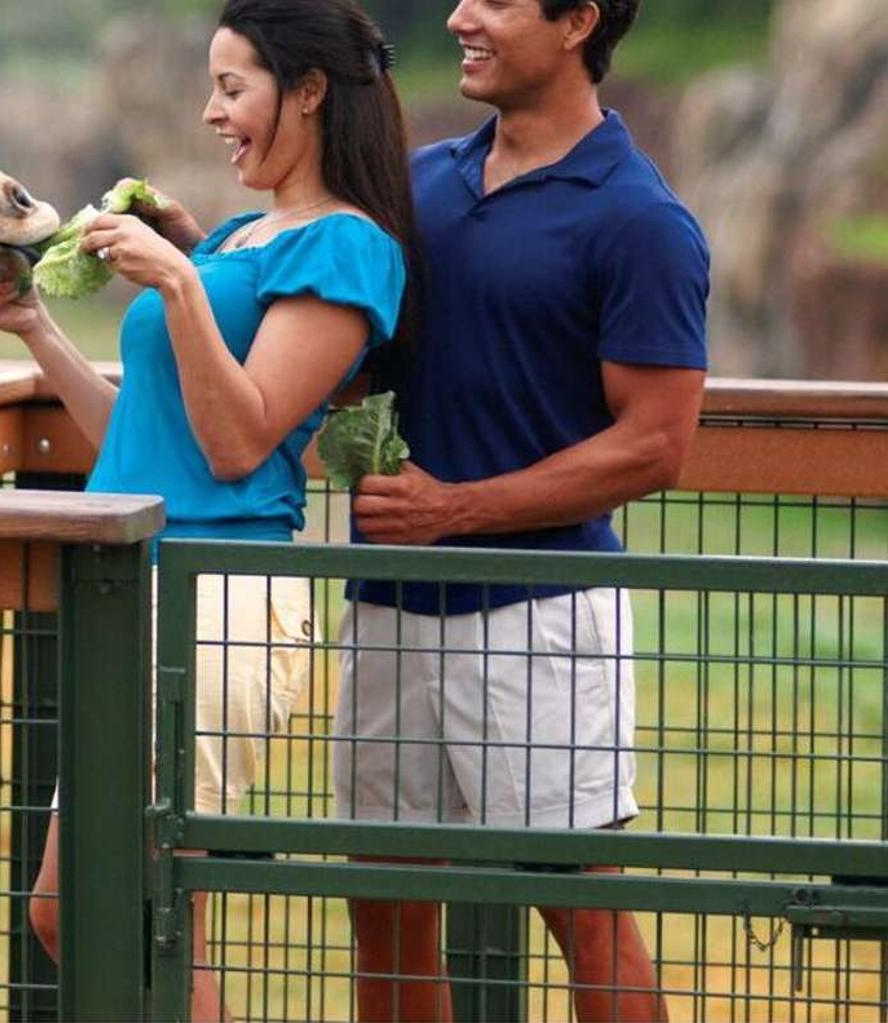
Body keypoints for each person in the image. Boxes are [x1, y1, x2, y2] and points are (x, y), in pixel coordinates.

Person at [0, 0, 411, 1017]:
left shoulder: (347, 248)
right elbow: (142, 432)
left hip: (215, 602)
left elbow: (240, 438)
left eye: (231, 86)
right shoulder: (245, 234)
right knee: (84, 909)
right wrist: (37, 329)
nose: (211, 112)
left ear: (306, 93)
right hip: (139, 586)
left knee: (136, 907)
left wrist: (175, 279)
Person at [337, 1, 708, 1020]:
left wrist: (453, 509)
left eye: (493, 0)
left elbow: (653, 443)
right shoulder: (418, 186)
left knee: (579, 916)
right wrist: (200, 258)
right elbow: (333, 331)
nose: (458, 16)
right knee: (384, 907)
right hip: (387, 601)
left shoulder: (638, 219)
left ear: (577, 20)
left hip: (539, 619)